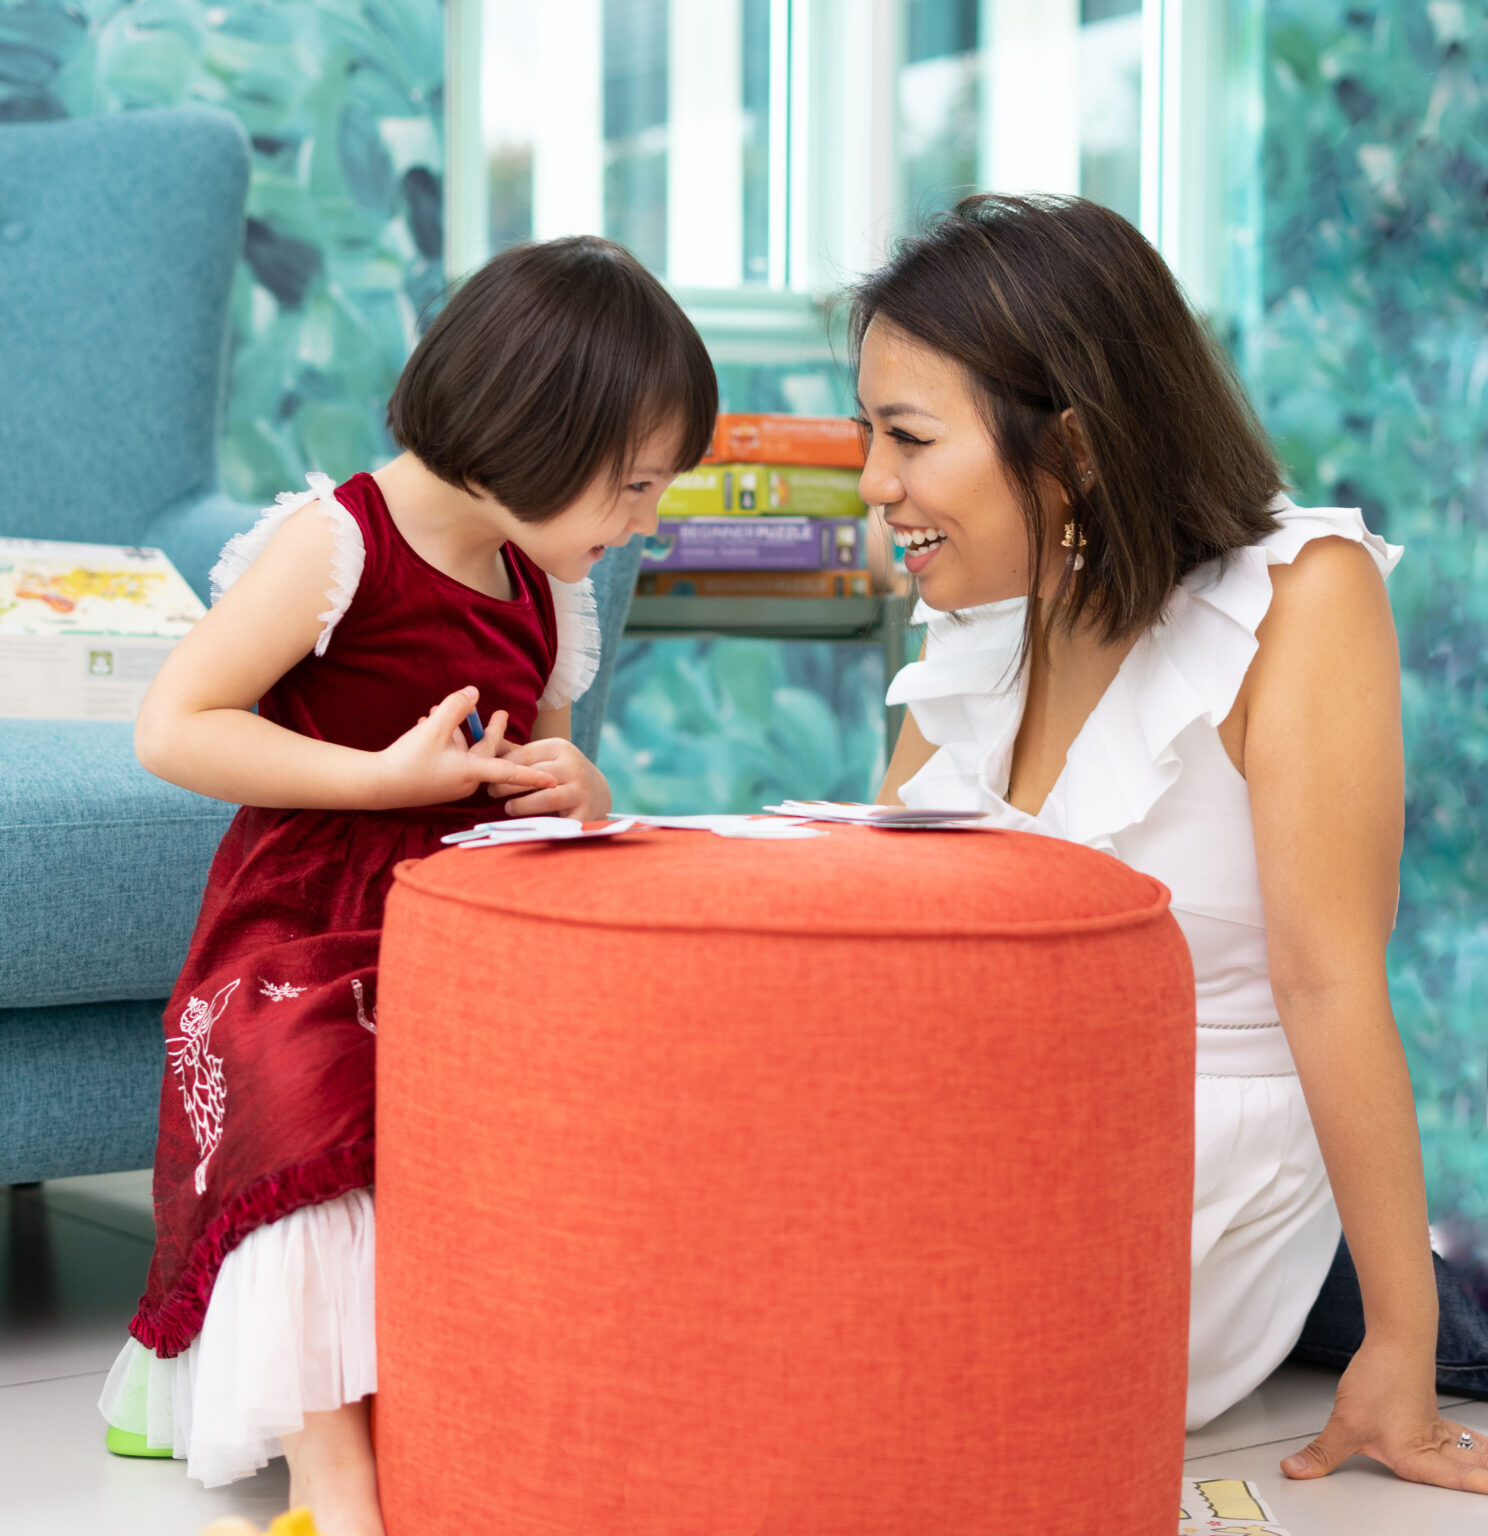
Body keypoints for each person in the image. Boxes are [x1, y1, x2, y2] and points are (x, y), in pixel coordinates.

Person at [862, 194, 1488, 1493]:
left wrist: (1404, 1347)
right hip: (976, 1133)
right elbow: (877, 923)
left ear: (1072, 448)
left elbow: (1331, 981)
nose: (876, 485)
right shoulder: (984, 611)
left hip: (1196, 1174)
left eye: (906, 438)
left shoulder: (1300, 597)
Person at [98, 235, 717, 1535]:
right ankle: (337, 1484)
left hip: (478, 921)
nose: (641, 522)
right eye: (633, 487)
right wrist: (378, 780)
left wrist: (580, 791)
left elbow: (547, 758)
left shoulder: (548, 582)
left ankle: (516, 1397)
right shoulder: (334, 545)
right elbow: (175, 725)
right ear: (530, 435)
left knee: (608, 1085)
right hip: (307, 923)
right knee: (315, 1082)